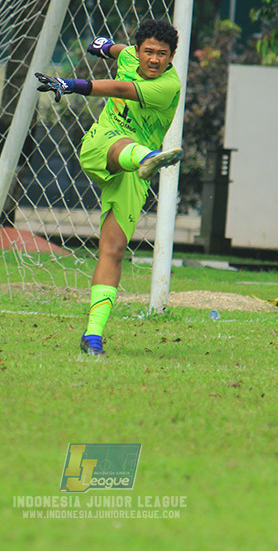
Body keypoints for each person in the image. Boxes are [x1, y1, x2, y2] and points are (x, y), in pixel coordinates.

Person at [36, 19, 183, 356]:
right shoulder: (130, 56)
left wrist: (71, 84)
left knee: (114, 250)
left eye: (163, 54)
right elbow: (118, 51)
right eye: (149, 52)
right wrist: (102, 47)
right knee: (120, 143)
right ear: (139, 51)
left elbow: (119, 89)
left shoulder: (168, 86)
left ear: (172, 56)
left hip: (136, 173)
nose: (155, 60)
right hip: (101, 143)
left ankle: (93, 335)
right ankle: (146, 157)